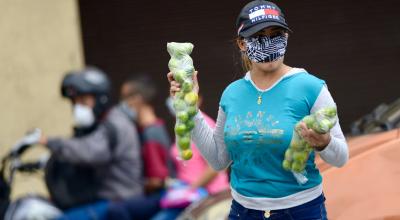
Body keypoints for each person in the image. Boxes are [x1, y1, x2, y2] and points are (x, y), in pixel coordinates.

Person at [168, 1, 349, 219]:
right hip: (242, 211)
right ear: (242, 43)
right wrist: (190, 107)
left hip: (301, 211)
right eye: (259, 35)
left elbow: (340, 158)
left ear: (287, 37)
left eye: (276, 33)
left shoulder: (311, 87)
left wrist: (324, 142)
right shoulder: (232, 93)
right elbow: (218, 160)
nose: (269, 42)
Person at [39, 67, 143, 220]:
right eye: (75, 102)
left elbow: (89, 152)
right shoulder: (104, 122)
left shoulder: (115, 124)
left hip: (118, 200)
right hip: (106, 200)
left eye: (83, 101)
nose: (78, 108)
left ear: (101, 98)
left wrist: (49, 142)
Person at [151, 96, 230, 220]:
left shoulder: (204, 125)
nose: (176, 100)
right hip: (187, 196)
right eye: (174, 95)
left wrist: (190, 189)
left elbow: (217, 166)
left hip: (209, 197)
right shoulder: (181, 125)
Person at [107, 75, 172, 220]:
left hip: (160, 195)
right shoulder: (148, 129)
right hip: (156, 194)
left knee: (115, 210)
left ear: (138, 99)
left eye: (125, 98)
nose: (123, 104)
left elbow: (156, 180)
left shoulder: (151, 133)